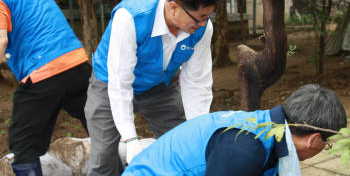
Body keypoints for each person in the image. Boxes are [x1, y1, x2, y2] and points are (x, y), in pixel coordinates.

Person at [84, 0, 225, 176]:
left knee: (183, 146)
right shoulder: (131, 18)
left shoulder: (202, 28)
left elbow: (197, 83)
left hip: (159, 87)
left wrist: (198, 131)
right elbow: (120, 82)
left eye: (207, 17)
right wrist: (131, 140)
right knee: (103, 157)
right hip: (109, 86)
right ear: (174, 7)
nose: (203, 23)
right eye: (199, 17)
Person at [122, 84, 347, 176]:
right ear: (313, 138)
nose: (323, 149)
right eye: (326, 144)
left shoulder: (268, 131)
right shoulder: (244, 147)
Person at [0, 0, 91, 176]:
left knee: (23, 145)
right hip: (77, 63)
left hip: (44, 71)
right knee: (99, 128)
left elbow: (0, 41)